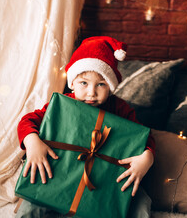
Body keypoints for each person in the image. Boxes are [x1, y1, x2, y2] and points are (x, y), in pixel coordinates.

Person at [16, 36, 155, 218]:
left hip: (104, 182)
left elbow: (143, 136)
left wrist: (147, 157)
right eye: (84, 83)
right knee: (31, 208)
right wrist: (32, 142)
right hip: (57, 176)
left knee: (142, 202)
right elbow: (27, 121)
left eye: (101, 84)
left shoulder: (120, 109)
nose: (91, 92)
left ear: (111, 87)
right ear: (72, 83)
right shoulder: (61, 105)